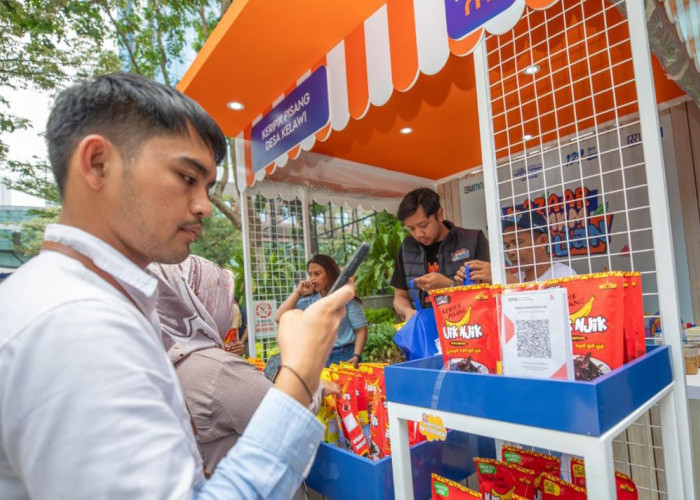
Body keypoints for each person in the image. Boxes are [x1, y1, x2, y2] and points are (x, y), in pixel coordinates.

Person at [0, 72, 355, 499]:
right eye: (187, 177)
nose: (204, 206)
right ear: (98, 163)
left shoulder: (78, 302)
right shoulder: (76, 325)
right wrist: (301, 369)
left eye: (206, 187)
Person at [391, 187, 490, 320]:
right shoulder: (407, 248)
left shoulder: (473, 239)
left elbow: (488, 291)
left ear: (440, 214)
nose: (418, 234)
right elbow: (399, 296)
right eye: (411, 229)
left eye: (424, 225)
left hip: (466, 330)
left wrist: (449, 286)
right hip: (425, 331)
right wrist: (407, 311)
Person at [275, 254, 367, 367]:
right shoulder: (309, 300)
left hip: (344, 355)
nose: (312, 279)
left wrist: (356, 356)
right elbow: (279, 317)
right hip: (318, 357)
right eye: (310, 274)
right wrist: (298, 293)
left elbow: (361, 330)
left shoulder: (346, 299)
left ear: (329, 273)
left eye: (317, 274)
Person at [454, 211, 576, 284]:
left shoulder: (564, 275)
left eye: (517, 242)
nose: (511, 251)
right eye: (506, 245)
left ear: (542, 241)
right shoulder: (517, 277)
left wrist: (505, 279)